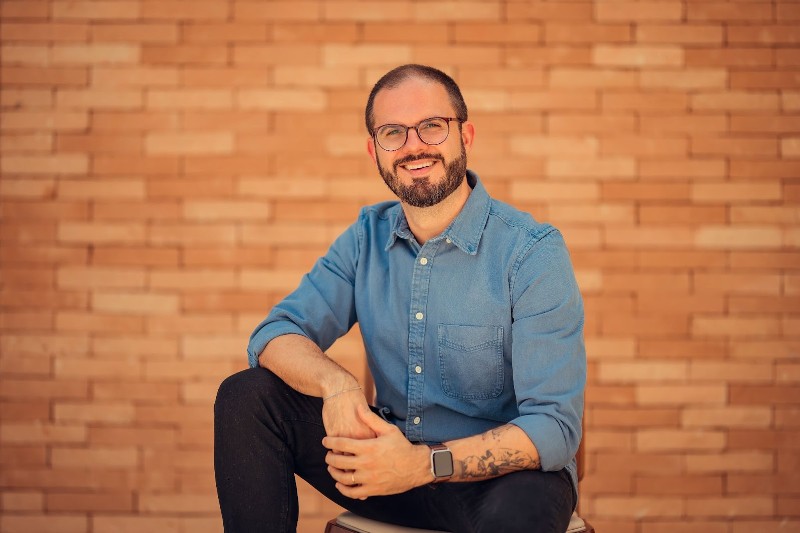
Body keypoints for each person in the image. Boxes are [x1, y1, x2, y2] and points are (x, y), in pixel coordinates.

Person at [214, 64, 586, 533]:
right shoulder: (365, 238)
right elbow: (274, 334)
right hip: (386, 471)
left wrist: (422, 464)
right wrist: (337, 385)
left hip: (502, 484)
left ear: (465, 135)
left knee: (520, 513)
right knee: (247, 396)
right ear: (375, 150)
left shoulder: (531, 252)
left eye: (432, 126)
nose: (413, 146)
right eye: (393, 132)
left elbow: (555, 426)